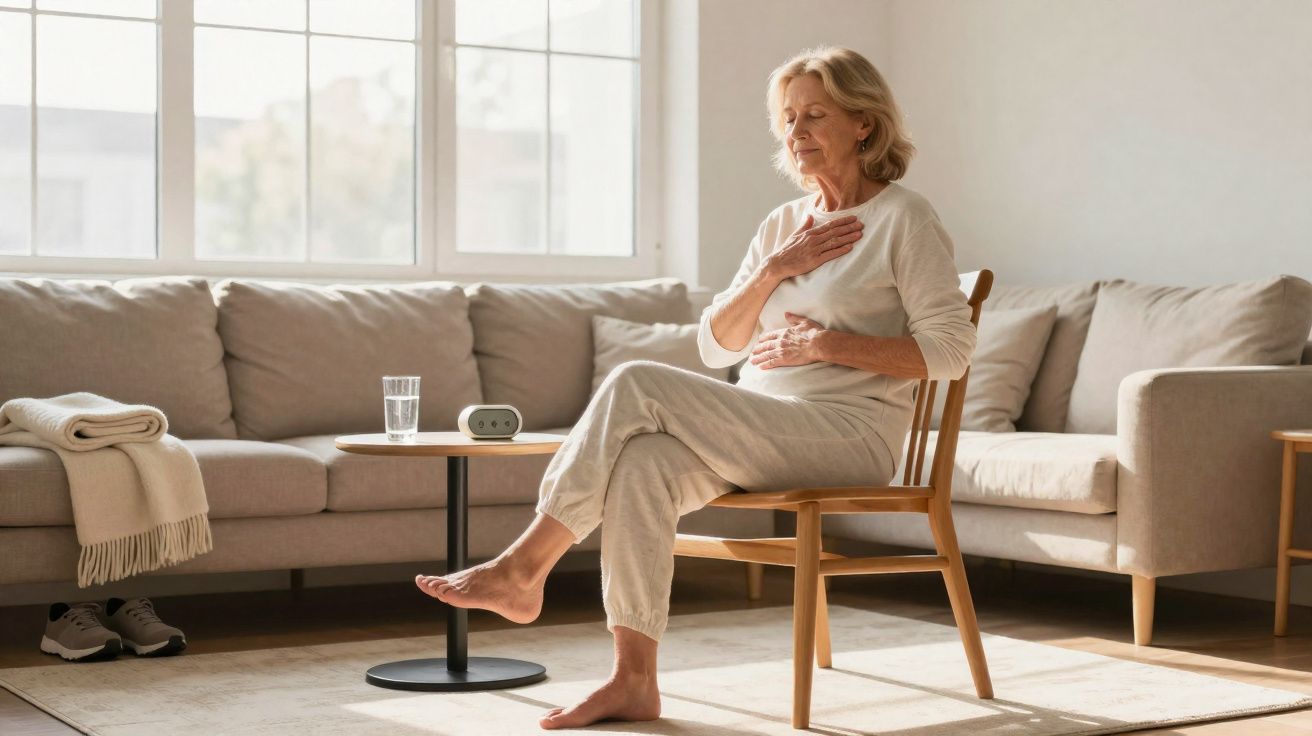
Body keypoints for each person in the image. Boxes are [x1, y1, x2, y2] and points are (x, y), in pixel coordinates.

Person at [415, 45, 976, 730]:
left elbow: (950, 352)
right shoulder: (782, 226)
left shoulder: (904, 219)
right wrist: (772, 271)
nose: (795, 132)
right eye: (788, 118)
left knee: (636, 380)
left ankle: (524, 567)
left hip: (849, 432)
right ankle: (633, 680)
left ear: (864, 122)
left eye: (815, 115)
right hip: (764, 423)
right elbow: (717, 346)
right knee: (643, 462)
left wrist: (823, 344)